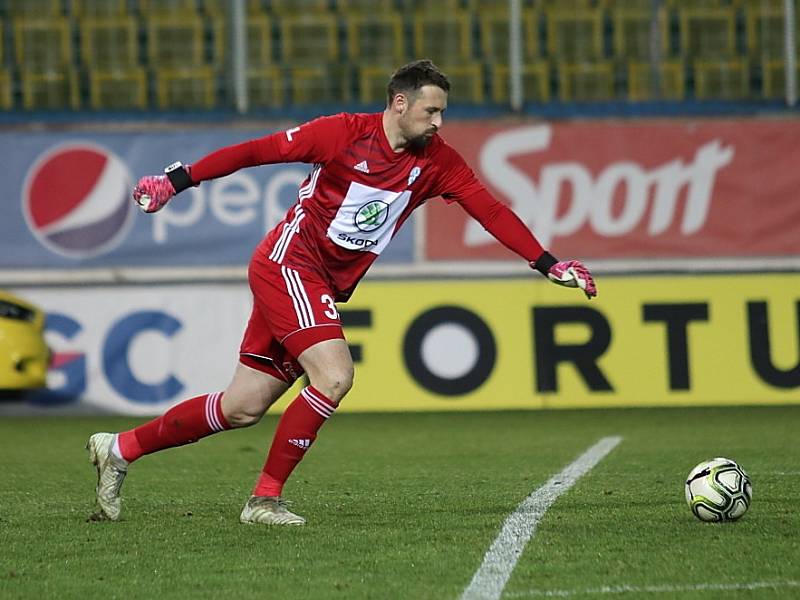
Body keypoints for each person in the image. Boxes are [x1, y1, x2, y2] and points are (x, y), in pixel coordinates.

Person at [86, 59, 596, 526]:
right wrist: (180, 180)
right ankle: (264, 500)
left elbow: (491, 210)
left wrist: (548, 264)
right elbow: (257, 151)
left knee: (242, 407)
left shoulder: (438, 161)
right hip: (290, 263)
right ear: (400, 103)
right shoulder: (343, 134)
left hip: (319, 281)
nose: (439, 122)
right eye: (432, 110)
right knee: (334, 376)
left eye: (443, 112)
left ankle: (120, 448)